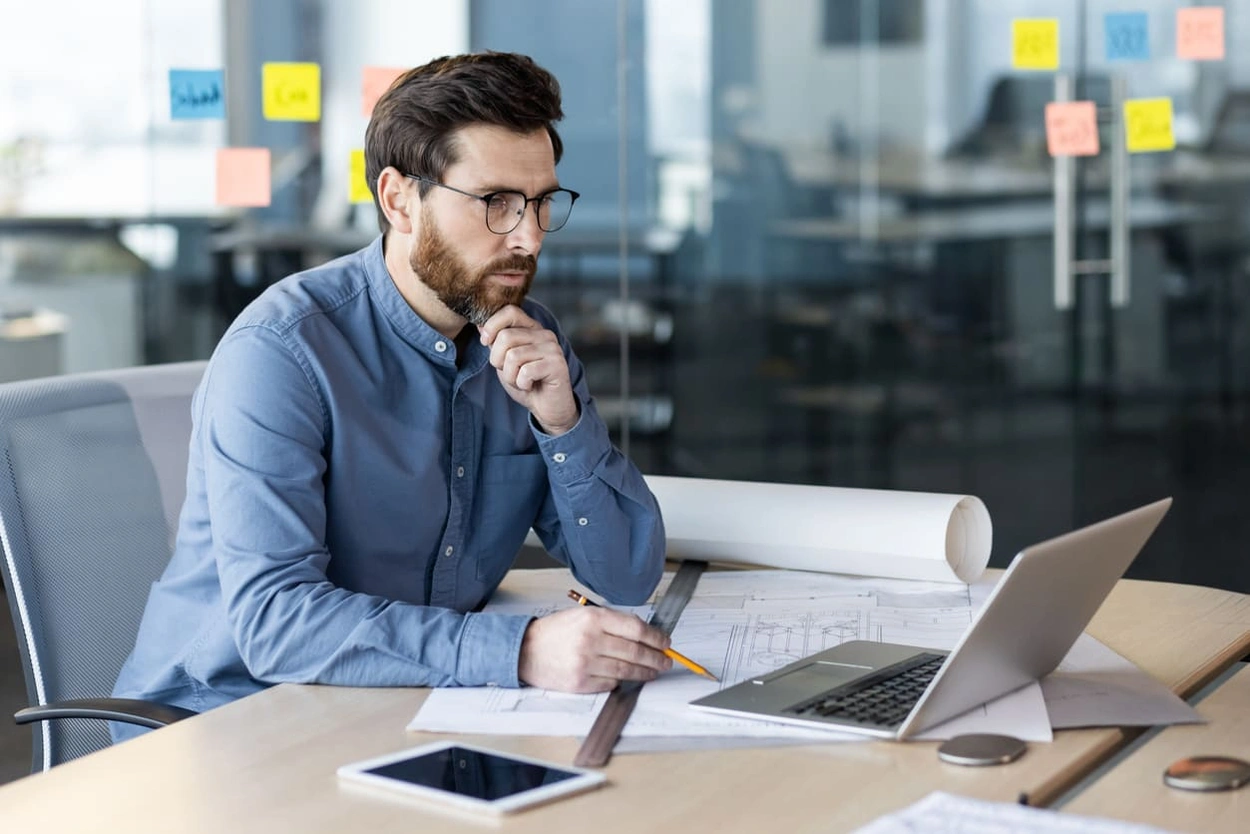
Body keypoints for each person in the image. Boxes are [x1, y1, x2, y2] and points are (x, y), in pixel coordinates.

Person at [112, 51, 671, 739]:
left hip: (399, 700)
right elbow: (276, 625)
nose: (528, 237)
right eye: (496, 202)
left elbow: (626, 576)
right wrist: (520, 650)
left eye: (541, 202)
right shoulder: (283, 351)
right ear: (399, 199)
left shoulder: (531, 343)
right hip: (221, 721)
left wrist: (563, 423)